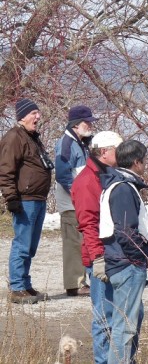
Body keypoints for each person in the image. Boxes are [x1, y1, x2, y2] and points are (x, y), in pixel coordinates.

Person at [99, 140, 148, 364]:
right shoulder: (123, 188)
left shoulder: (115, 184)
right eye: (144, 160)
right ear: (136, 162)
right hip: (127, 264)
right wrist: (139, 257)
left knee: (126, 323)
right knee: (125, 328)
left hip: (122, 262)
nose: (146, 165)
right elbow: (125, 231)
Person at [71, 130, 123, 364]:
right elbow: (88, 223)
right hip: (101, 256)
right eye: (118, 150)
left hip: (118, 253)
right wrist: (98, 257)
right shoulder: (86, 181)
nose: (122, 154)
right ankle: (102, 361)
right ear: (104, 152)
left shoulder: (110, 174)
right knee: (103, 316)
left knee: (120, 314)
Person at [0, 98, 52, 304]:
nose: (38, 117)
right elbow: (5, 170)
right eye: (34, 113)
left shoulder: (32, 137)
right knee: (22, 244)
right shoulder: (14, 137)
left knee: (30, 246)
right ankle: (17, 288)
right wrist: (11, 198)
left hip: (38, 199)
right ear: (22, 116)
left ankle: (25, 285)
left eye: (38, 113)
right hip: (25, 200)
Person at [55, 105, 97, 297]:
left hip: (80, 201)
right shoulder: (66, 144)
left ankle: (82, 280)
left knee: (82, 241)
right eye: (86, 122)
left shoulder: (80, 142)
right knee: (73, 243)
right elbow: (63, 176)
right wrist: (78, 195)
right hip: (72, 203)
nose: (90, 125)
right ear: (75, 125)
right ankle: (74, 283)